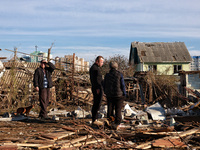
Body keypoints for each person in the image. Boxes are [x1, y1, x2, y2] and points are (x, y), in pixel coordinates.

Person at [104, 61, 126, 130]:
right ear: (117, 67)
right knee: (118, 110)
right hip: (119, 95)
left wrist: (106, 92)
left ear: (110, 67)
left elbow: (104, 84)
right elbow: (122, 85)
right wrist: (124, 93)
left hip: (110, 95)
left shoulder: (107, 75)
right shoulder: (120, 74)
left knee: (110, 109)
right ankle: (117, 123)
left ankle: (109, 122)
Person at [89, 56, 104, 125]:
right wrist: (97, 88)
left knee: (97, 103)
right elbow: (96, 80)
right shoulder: (95, 69)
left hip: (96, 87)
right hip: (97, 88)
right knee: (97, 103)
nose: (102, 63)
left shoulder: (94, 68)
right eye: (101, 62)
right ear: (97, 61)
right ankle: (94, 119)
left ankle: (95, 118)